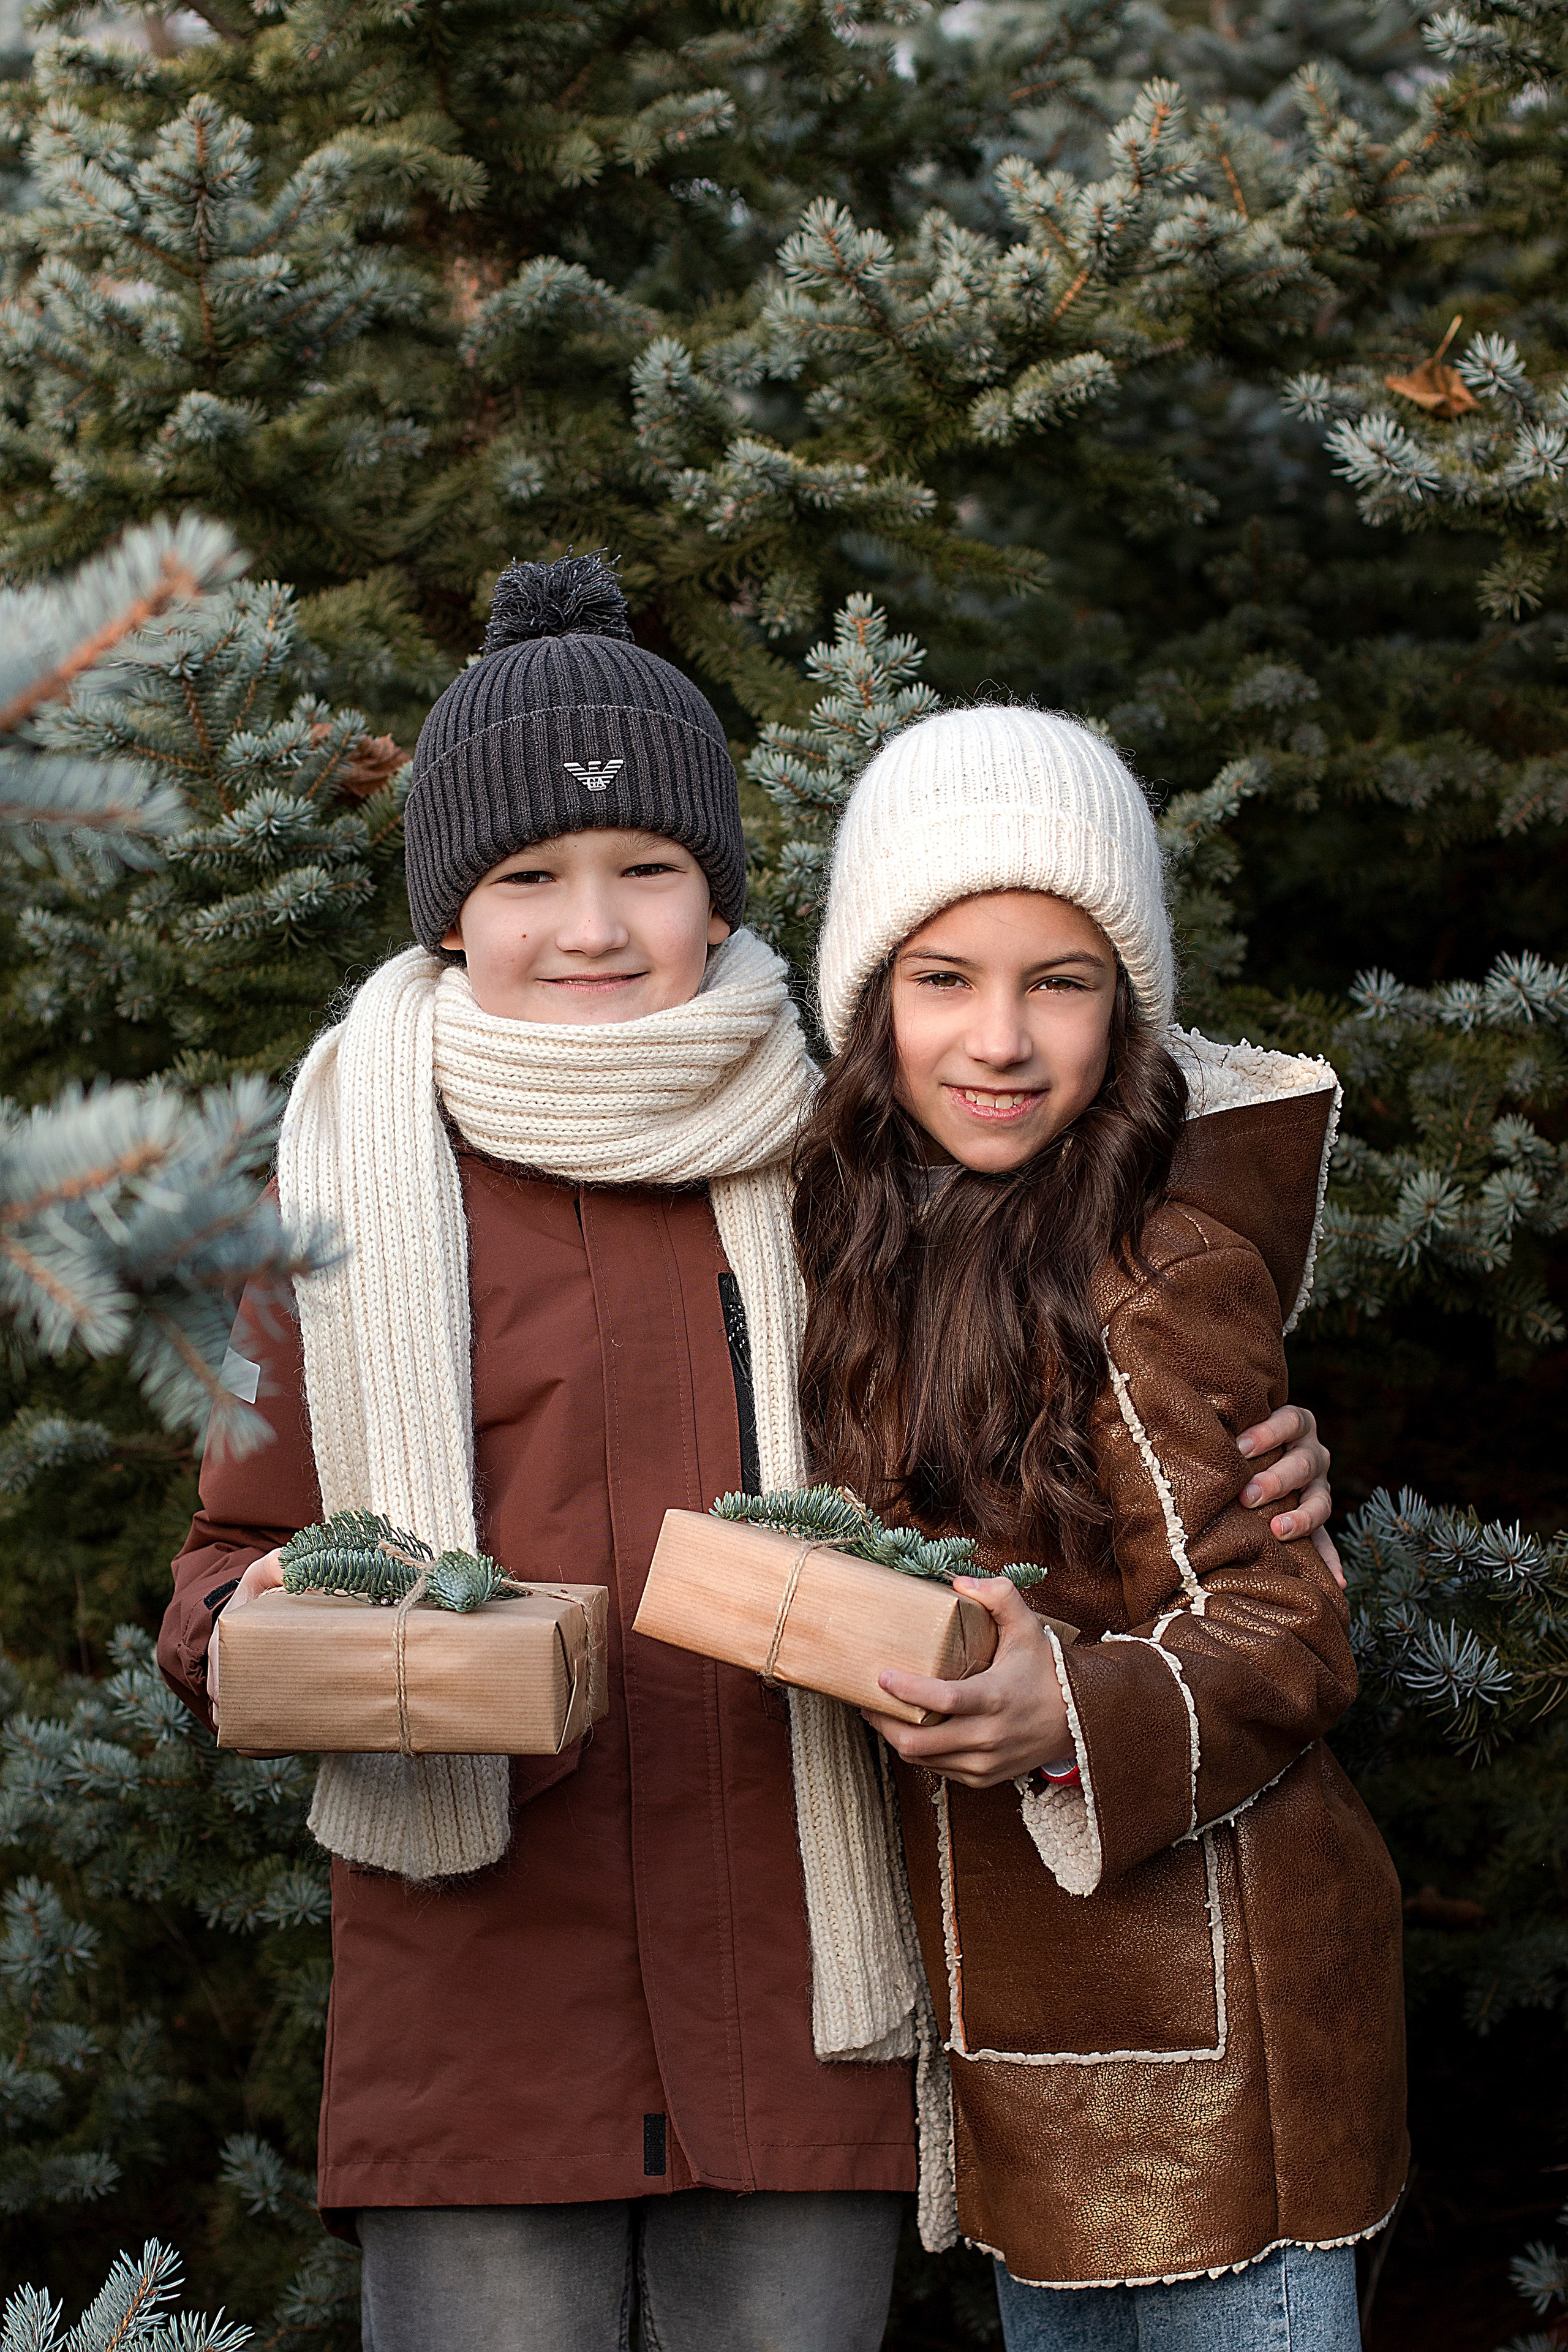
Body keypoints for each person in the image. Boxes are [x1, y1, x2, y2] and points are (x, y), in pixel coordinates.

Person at [159, 561, 1342, 2352]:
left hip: (804, 2002)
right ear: (447, 912)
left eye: (648, 869)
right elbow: (220, 1578)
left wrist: (1263, 1452)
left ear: (718, 897)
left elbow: (1074, 1377)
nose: (592, 925)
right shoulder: (333, 1205)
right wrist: (277, 1630)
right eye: (527, 878)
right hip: (480, 2016)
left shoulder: (843, 1168)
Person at [791, 704, 1408, 2352]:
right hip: (1036, 2040)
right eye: (943, 980)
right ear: (869, 1009)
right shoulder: (875, 1257)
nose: (999, 1037)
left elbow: (1285, 1633)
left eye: (1057, 981)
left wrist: (1070, 1708)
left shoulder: (1151, 1270)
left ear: (1126, 1009)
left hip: (1219, 2055)